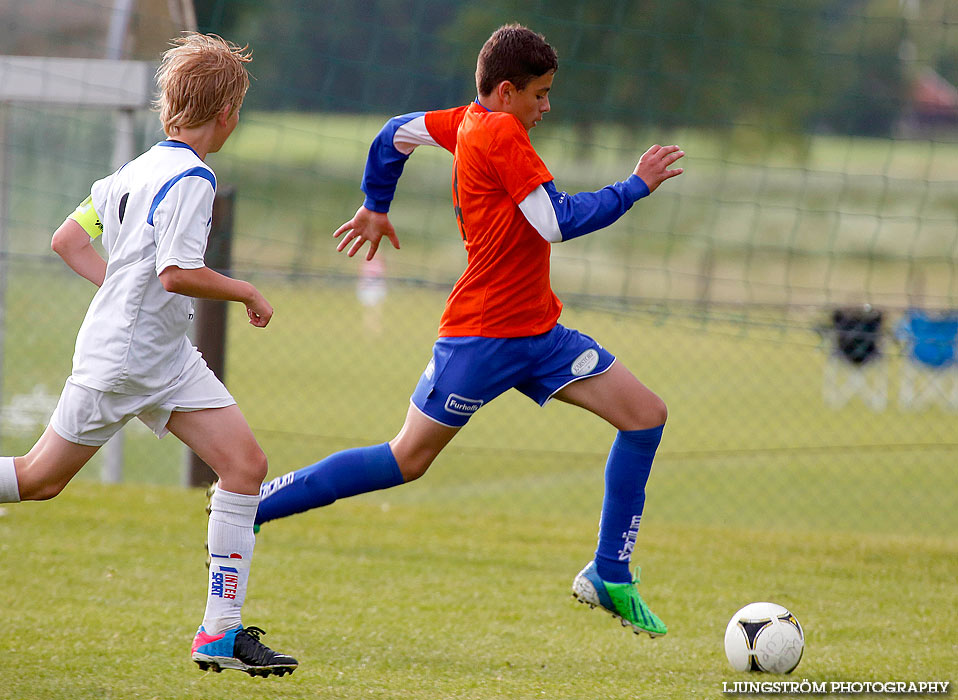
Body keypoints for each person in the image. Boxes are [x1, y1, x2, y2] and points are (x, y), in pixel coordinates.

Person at [253, 23, 684, 637]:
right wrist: (636, 186)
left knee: (645, 415)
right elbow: (554, 222)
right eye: (540, 95)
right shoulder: (502, 132)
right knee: (406, 459)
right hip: (481, 338)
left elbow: (394, 133)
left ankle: (609, 573)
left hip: (539, 333)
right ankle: (257, 503)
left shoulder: (465, 120)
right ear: (506, 92)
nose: (546, 107)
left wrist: (377, 202)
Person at [0, 33, 297, 676]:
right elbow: (175, 272)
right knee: (39, 479)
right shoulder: (193, 179)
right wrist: (244, 288)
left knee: (244, 464)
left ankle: (220, 632)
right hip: (128, 359)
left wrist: (118, 292)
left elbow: (67, 239)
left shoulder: (134, 170)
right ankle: (220, 630)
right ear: (228, 114)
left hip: (160, 355)